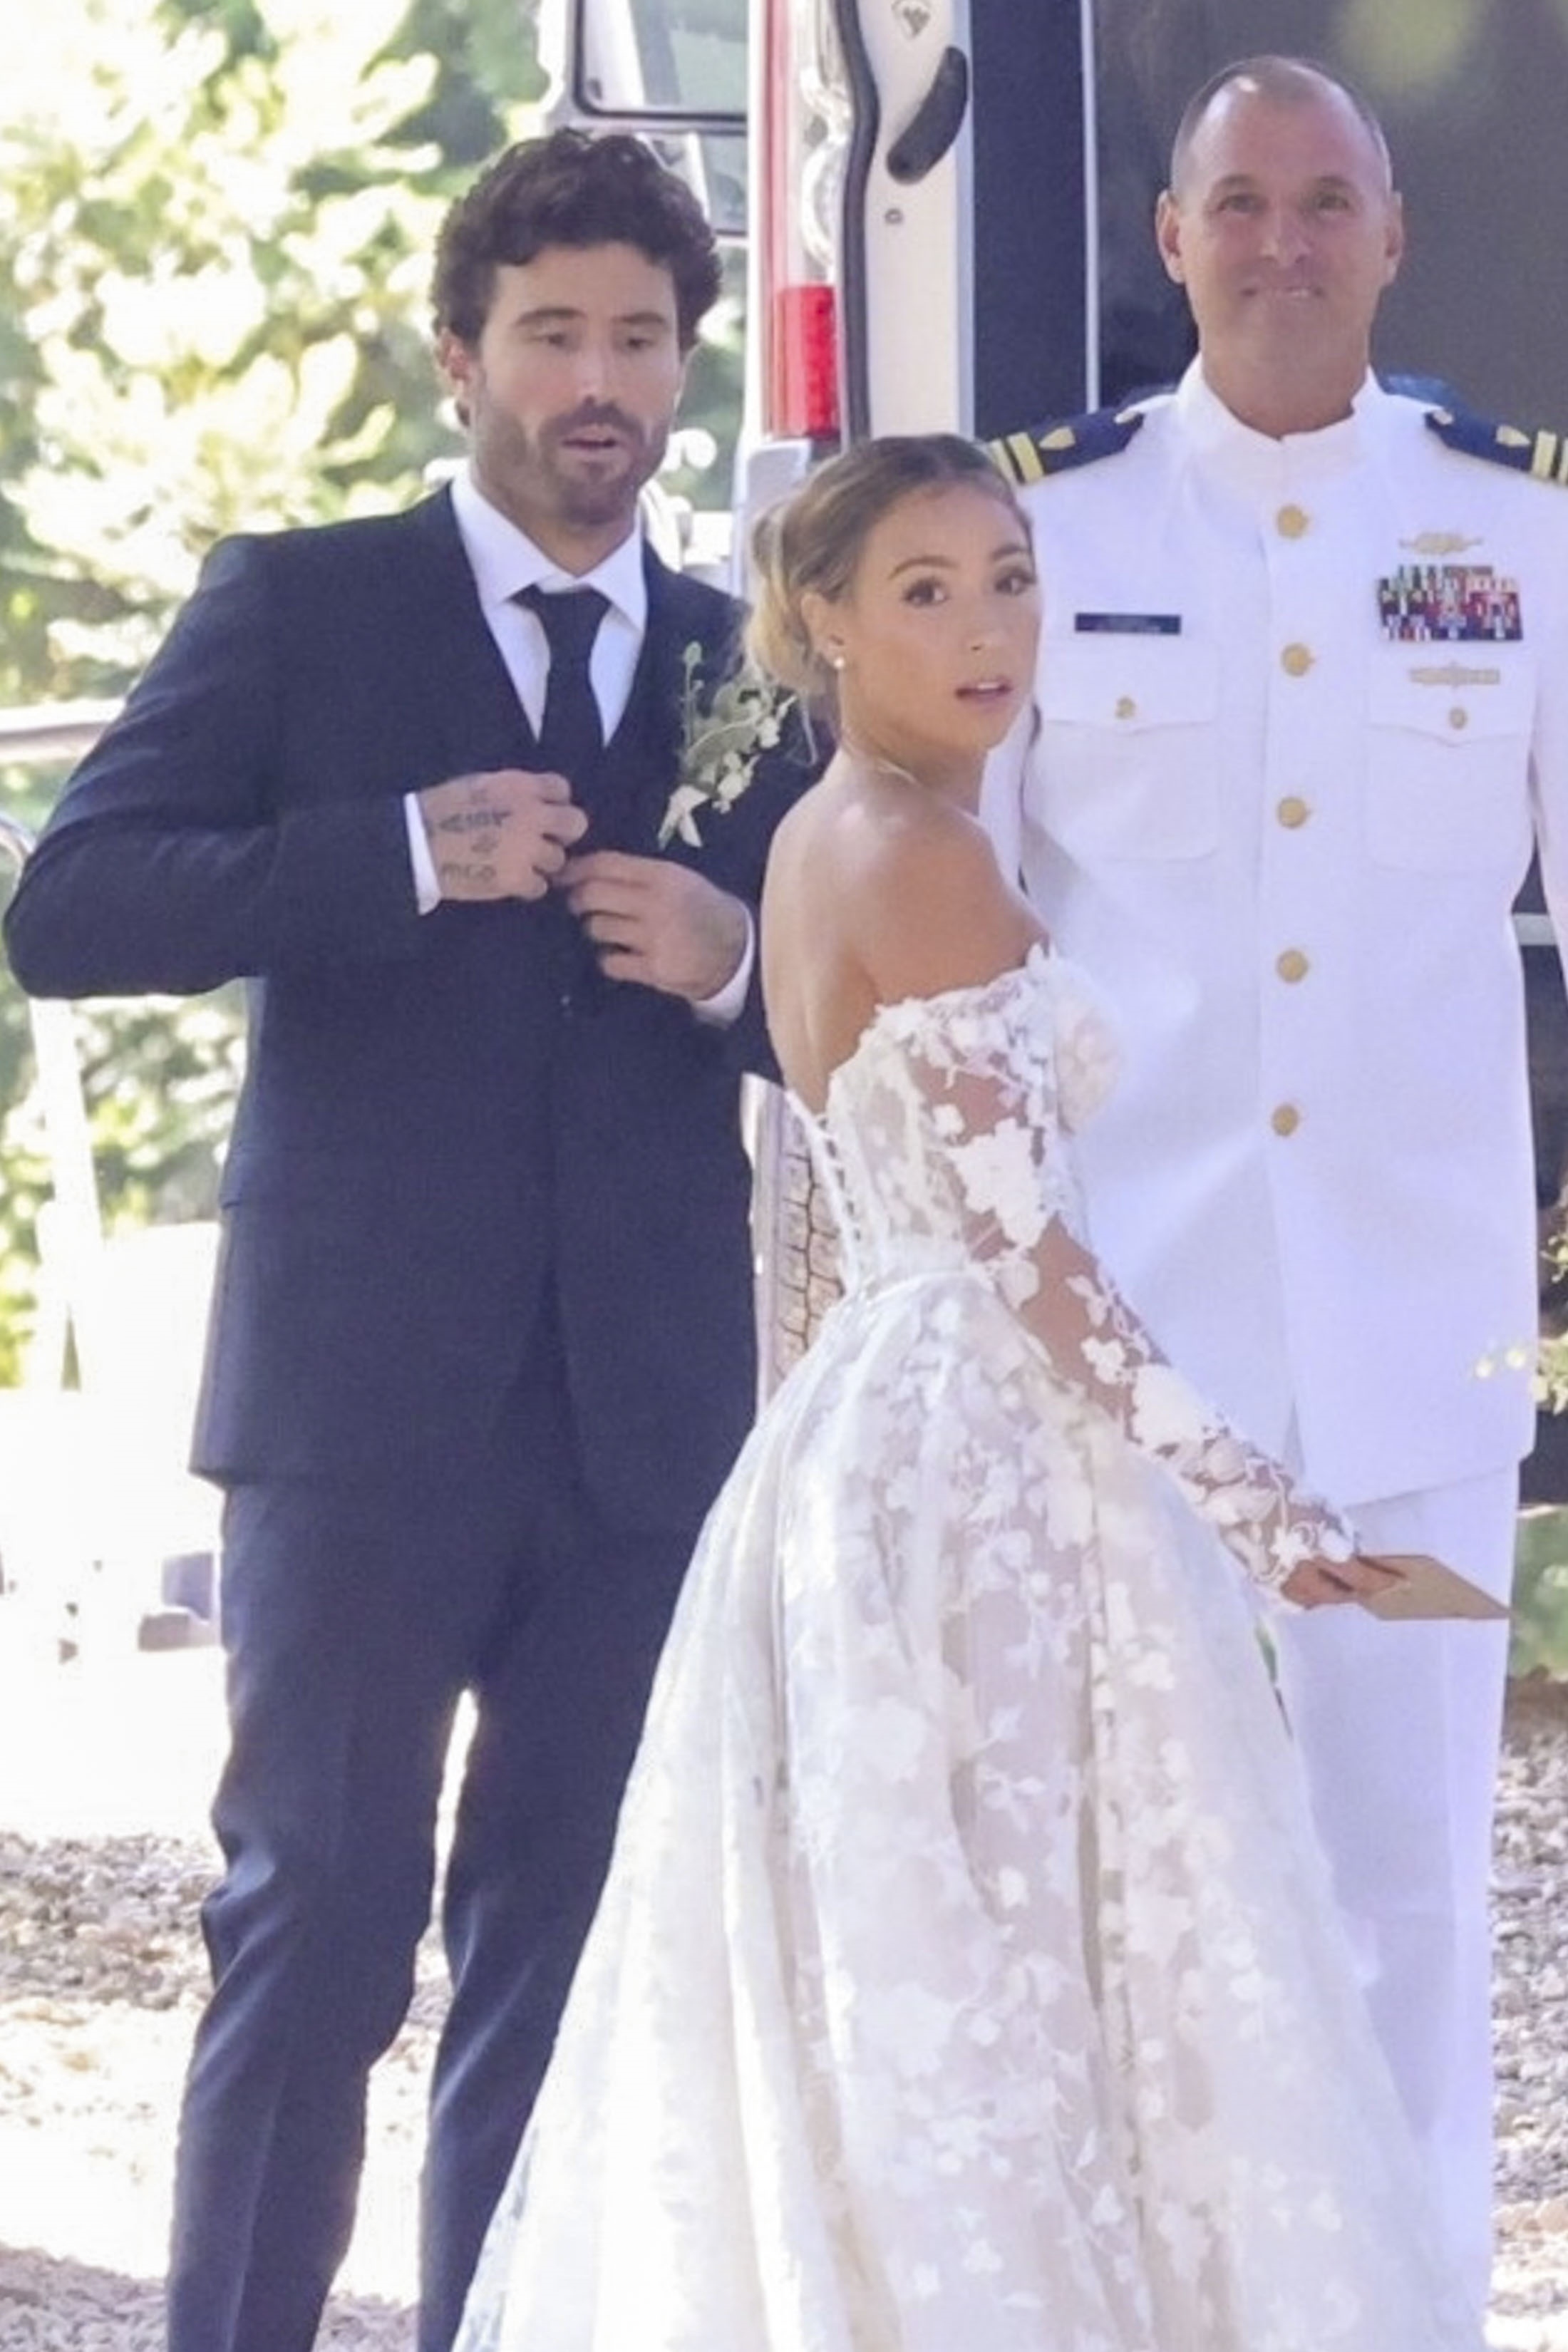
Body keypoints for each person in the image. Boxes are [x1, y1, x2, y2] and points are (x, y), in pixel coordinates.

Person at [450, 433, 1477, 2352]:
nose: (991, 626)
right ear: (822, 618)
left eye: (1009, 575)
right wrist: (1249, 1497)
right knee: (1033, 1948)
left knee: (977, 1943)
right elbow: (1030, 1248)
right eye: (926, 588)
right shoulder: (918, 853)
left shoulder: (830, 827)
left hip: (880, 1419)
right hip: (982, 1440)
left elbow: (872, 1203)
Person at [1, 128, 811, 2352]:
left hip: (638, 1425)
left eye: (640, 340)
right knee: (318, 1928)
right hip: (358, 1413)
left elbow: (864, 1005)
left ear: (680, 370)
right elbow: (65, 908)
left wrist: (737, 958)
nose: (598, 383)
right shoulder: (301, 599)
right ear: (459, 354)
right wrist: (387, 853)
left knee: (557, 1953)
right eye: (551, 333)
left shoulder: (757, 662)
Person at [984, 52, 1568, 2315]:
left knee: (1413, 1887)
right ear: (1170, 237)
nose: (1285, 245)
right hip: (1133, 1328)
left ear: (1395, 236)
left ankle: (1403, 2301)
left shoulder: (1520, 531)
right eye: (1242, 203)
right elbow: (980, 914)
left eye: (1331, 203)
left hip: (1417, 1319)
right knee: (1132, 1867)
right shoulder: (1068, 529)